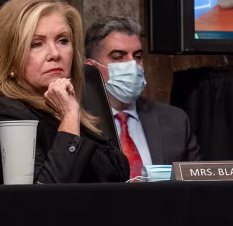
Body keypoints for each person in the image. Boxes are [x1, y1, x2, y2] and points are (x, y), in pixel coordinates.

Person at [0, 0, 129, 184]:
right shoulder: (5, 114)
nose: (55, 54)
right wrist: (70, 118)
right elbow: (44, 197)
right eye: (37, 44)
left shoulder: (66, 105)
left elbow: (118, 172)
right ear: (11, 61)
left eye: (63, 41)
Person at [85, 15, 201, 179]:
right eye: (118, 57)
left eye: (138, 56)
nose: (133, 65)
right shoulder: (77, 124)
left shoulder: (175, 121)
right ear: (92, 68)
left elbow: (197, 187)